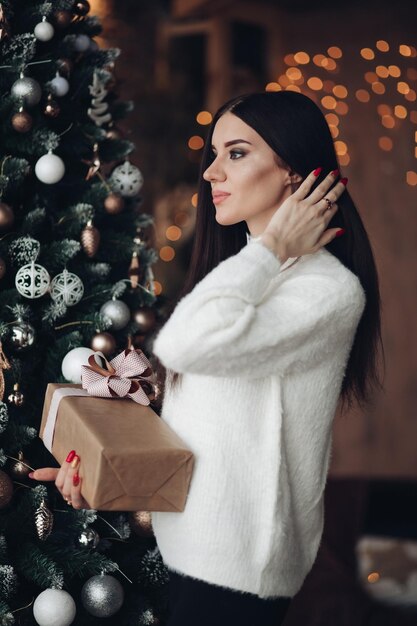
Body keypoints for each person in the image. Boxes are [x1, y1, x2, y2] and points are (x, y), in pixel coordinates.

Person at [30, 91, 383, 626]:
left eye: (236, 153)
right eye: (213, 155)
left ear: (295, 172)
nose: (212, 173)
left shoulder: (325, 291)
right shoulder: (247, 275)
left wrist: (271, 249)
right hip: (184, 547)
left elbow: (182, 346)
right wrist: (100, 467)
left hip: (239, 568)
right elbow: (208, 420)